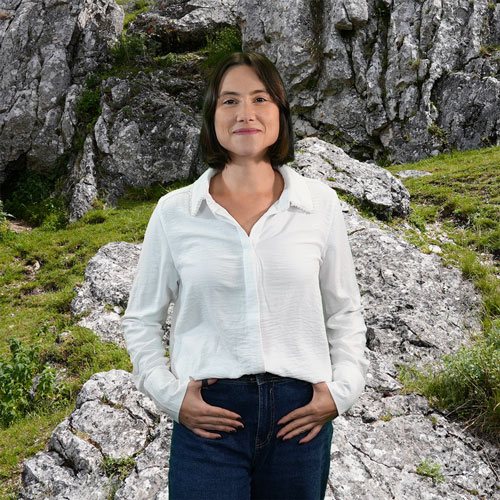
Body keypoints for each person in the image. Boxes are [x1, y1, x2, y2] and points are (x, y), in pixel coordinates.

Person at [121, 52, 369, 500]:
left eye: (260, 98)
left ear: (280, 112)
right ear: (212, 116)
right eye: (229, 101)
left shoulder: (320, 205)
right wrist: (172, 397)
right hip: (210, 417)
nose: (246, 113)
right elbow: (141, 319)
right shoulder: (175, 213)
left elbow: (344, 311)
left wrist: (342, 391)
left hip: (300, 418)